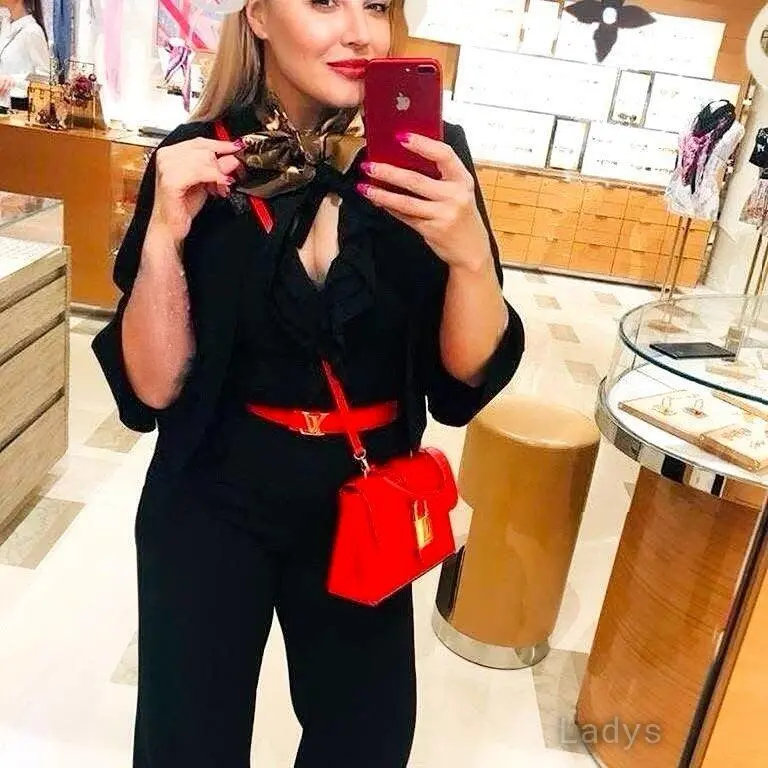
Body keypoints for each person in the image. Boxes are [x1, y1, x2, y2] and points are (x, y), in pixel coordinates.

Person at [92, 1, 524, 766]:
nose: (359, 29)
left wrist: (469, 256)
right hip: (213, 491)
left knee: (367, 741)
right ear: (258, 15)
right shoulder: (200, 155)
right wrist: (162, 236)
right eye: (324, 0)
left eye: (377, 5)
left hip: (366, 496)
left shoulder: (427, 157)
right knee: (186, 742)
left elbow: (462, 382)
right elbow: (152, 390)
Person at [0, 0, 49, 111]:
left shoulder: (32, 31)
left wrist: (13, 80)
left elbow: (44, 77)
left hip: (18, 110)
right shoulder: (6, 24)